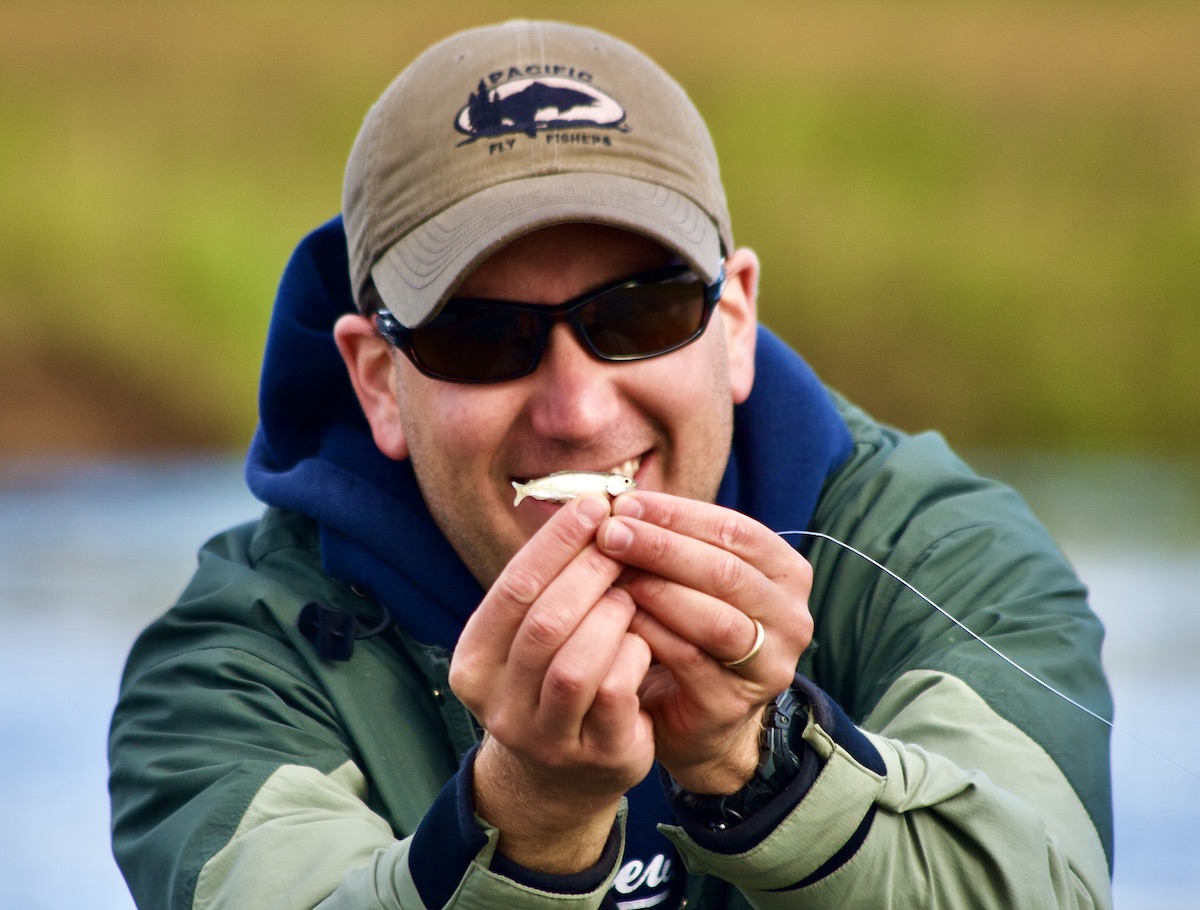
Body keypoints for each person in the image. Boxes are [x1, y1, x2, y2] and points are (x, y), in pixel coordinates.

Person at [108, 19, 1114, 910]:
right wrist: (525, 824)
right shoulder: (227, 668)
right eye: (482, 337)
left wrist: (756, 765)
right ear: (378, 381)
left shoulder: (945, 552)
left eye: (639, 315)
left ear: (734, 322)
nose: (578, 409)